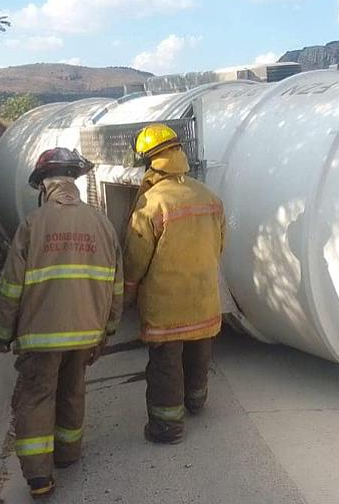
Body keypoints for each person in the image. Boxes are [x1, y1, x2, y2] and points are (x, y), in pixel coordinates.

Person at [0, 147, 123, 499]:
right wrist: (108, 328)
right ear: (73, 183)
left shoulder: (33, 225)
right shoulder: (102, 223)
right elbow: (116, 284)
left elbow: (11, 286)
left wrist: (3, 333)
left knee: (35, 397)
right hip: (87, 333)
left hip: (40, 336)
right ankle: (67, 455)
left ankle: (39, 478)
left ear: (43, 186)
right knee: (72, 390)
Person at [123, 123, 226, 444]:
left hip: (166, 305)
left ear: (149, 162)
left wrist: (126, 293)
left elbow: (135, 259)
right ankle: (196, 401)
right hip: (204, 298)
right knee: (199, 352)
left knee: (166, 364)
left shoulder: (151, 203)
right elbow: (221, 243)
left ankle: (167, 426)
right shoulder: (208, 196)